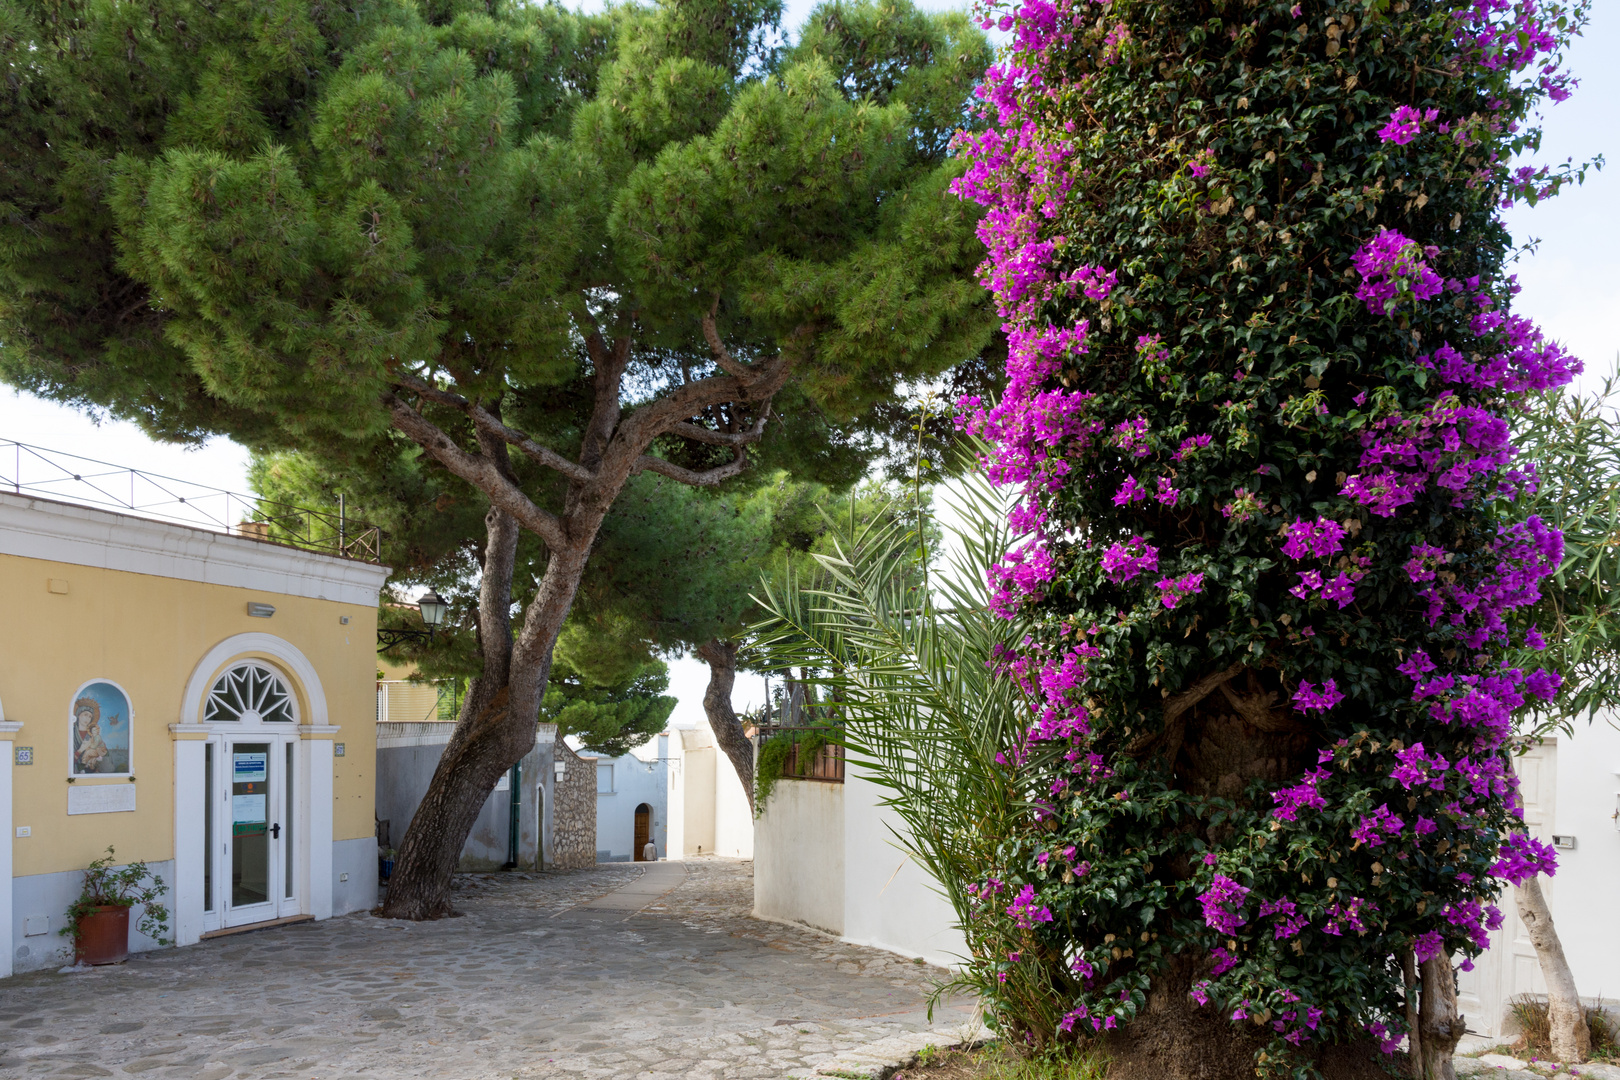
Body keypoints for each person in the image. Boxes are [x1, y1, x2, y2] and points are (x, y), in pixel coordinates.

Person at [73, 699, 110, 773]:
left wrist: (98, 756)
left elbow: (106, 754)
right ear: (78, 715)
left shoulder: (93, 735)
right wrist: (80, 750)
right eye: (85, 715)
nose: (87, 718)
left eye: (90, 716)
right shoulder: (72, 733)